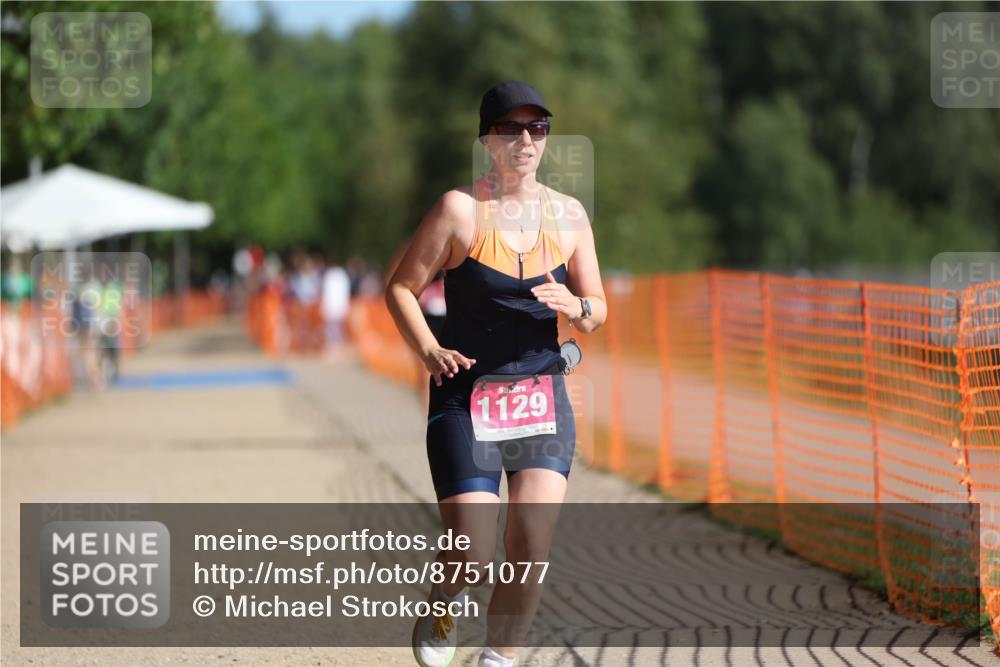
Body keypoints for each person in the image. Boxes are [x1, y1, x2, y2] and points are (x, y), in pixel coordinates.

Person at [386, 80, 607, 667]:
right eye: (510, 128)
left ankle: (498, 659)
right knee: (473, 550)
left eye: (537, 128)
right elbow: (401, 288)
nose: (525, 140)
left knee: (531, 542)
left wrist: (577, 307)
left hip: (541, 395)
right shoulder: (458, 211)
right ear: (487, 139)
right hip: (467, 397)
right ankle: (444, 602)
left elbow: (597, 310)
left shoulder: (569, 215)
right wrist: (429, 349)